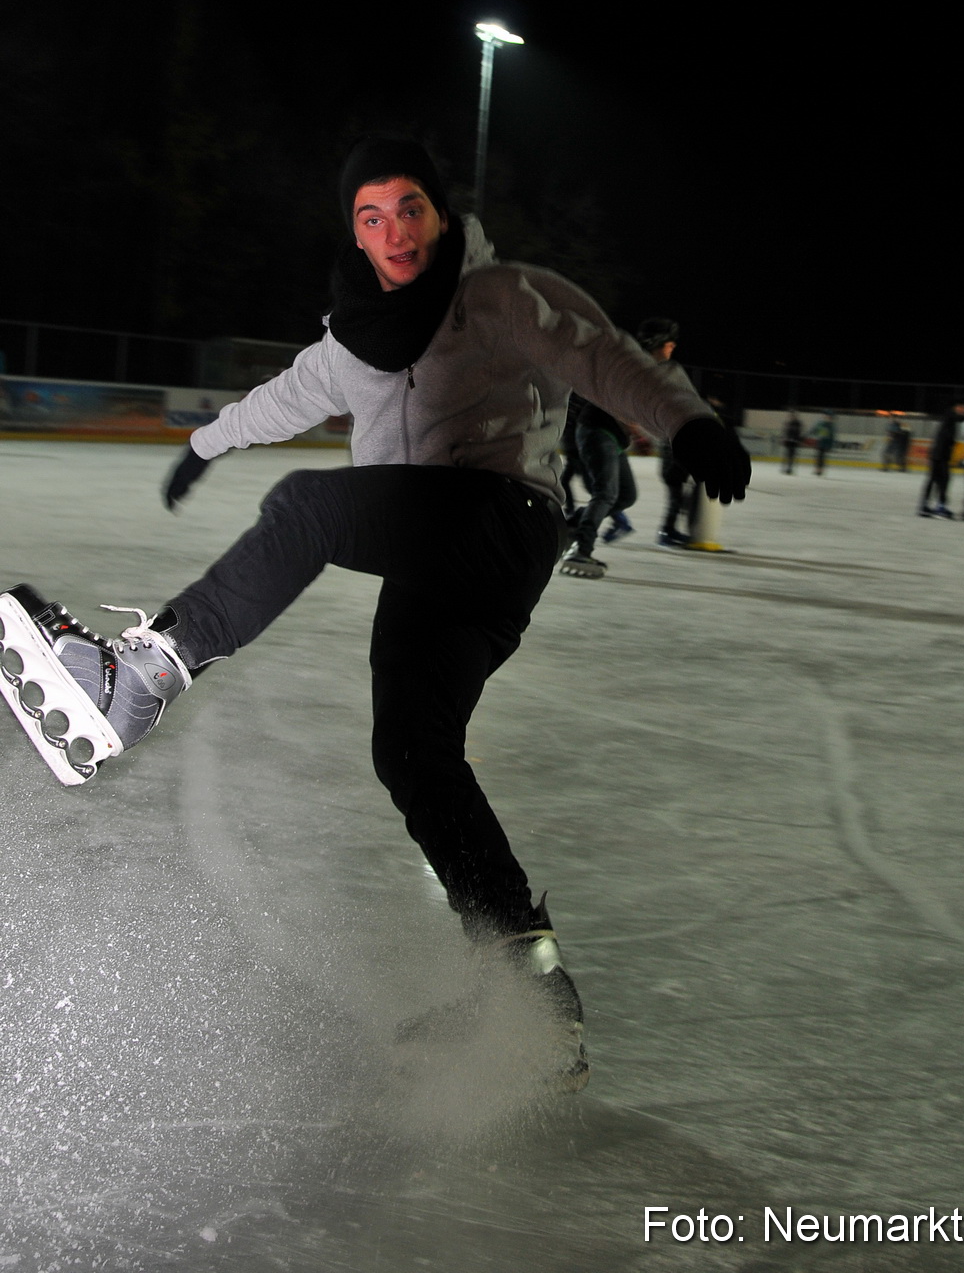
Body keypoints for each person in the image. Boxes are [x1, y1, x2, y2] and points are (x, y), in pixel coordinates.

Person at [0, 135, 750, 1092]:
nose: (392, 231)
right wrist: (204, 441)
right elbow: (285, 396)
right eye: (369, 215)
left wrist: (685, 421)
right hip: (426, 555)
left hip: (498, 522)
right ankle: (527, 984)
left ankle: (137, 681)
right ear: (353, 233)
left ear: (440, 214)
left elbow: (597, 354)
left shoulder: (497, 295)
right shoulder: (354, 338)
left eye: (408, 208)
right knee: (411, 752)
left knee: (309, 510)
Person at [636, 318, 698, 547]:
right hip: (673, 442)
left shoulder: (653, 370)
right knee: (677, 488)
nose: (673, 347)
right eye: (669, 344)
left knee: (678, 490)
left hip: (674, 441)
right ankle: (668, 529)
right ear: (658, 344)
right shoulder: (664, 371)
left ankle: (669, 528)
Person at [563, 395, 638, 569]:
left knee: (627, 495)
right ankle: (581, 550)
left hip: (616, 439)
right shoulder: (631, 377)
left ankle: (573, 525)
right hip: (598, 430)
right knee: (605, 493)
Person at [919, 404, 964, 517]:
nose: (963, 410)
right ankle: (940, 507)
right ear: (955, 408)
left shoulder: (948, 419)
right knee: (943, 480)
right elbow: (957, 418)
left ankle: (925, 506)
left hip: (938, 455)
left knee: (934, 480)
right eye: (961, 408)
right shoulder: (950, 416)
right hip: (941, 456)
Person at [809, 411, 835, 476]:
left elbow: (832, 436)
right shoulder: (820, 423)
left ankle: (820, 470)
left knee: (822, 457)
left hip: (825, 444)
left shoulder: (830, 426)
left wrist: (831, 445)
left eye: (828, 417)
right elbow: (814, 430)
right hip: (819, 442)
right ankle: (817, 469)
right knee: (818, 457)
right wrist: (810, 433)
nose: (826, 417)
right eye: (825, 416)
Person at [781, 409, 803, 475]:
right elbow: (785, 432)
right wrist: (784, 438)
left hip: (794, 442)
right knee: (786, 455)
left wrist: (798, 440)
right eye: (791, 415)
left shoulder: (798, 423)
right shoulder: (788, 423)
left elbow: (799, 433)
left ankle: (789, 468)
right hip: (788, 441)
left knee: (792, 456)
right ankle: (784, 467)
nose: (792, 416)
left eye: (793, 415)